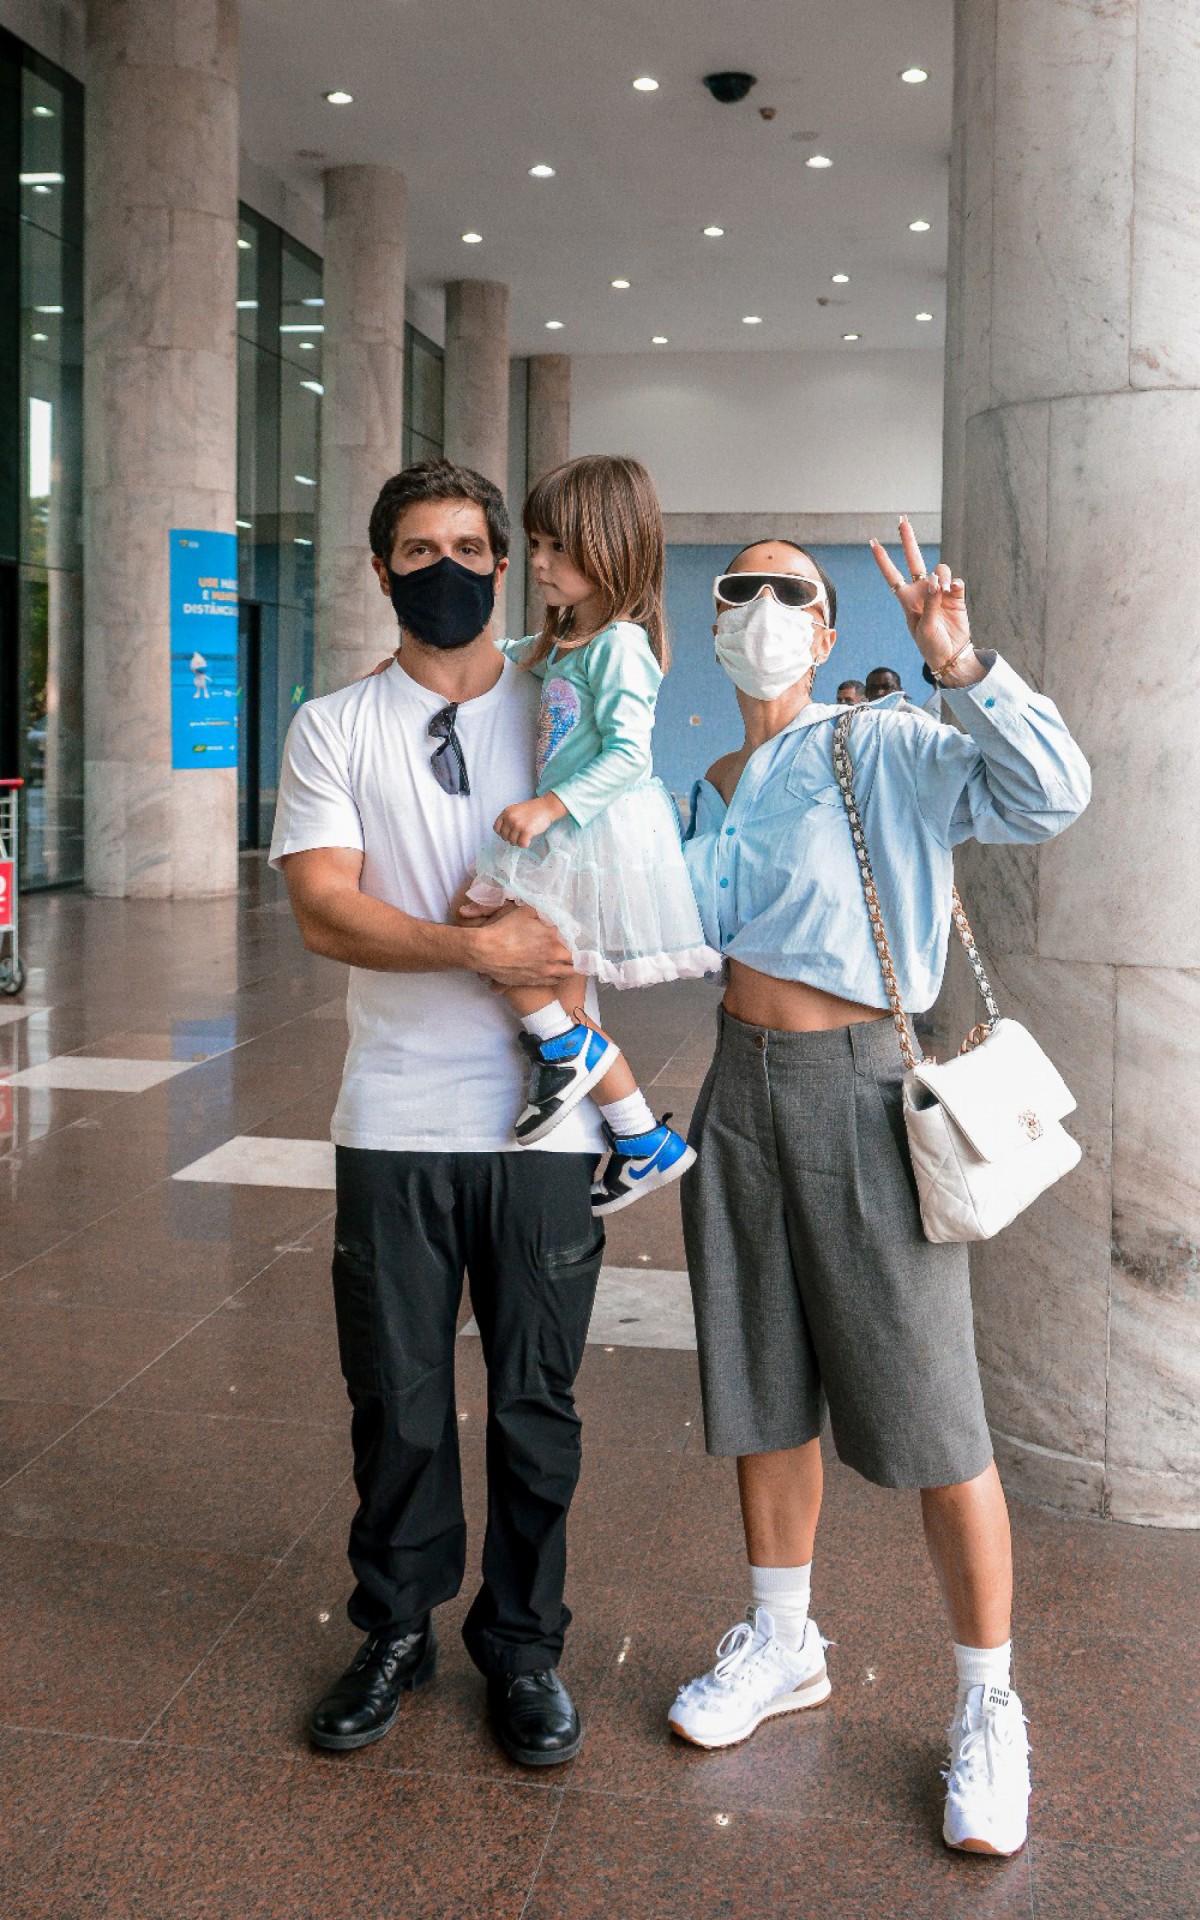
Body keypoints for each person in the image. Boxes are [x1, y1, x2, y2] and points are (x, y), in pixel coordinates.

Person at [668, 521, 1090, 1858]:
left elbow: (1049, 795)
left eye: (791, 587)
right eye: (740, 585)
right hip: (737, 1090)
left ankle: (987, 1706)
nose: (761, 604)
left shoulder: (886, 741)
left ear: (830, 626)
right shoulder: (717, 775)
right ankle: (784, 1641)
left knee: (930, 1405)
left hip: (862, 1086)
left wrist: (961, 662)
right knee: (762, 1379)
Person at [271, 457, 607, 1771]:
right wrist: (472, 954)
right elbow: (322, 906)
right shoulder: (334, 726)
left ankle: (523, 1651)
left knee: (536, 1402)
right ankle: (397, 1628)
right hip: (397, 1117)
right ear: (380, 571)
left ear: (506, 564)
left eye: (472, 546)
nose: (450, 570)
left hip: (550, 1126)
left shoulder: (563, 717)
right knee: (399, 1400)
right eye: (420, 552)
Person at [466, 455, 721, 1215]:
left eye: (556, 549)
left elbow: (629, 755)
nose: (537, 565)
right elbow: (505, 658)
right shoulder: (566, 640)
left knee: (488, 933)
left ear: (610, 548)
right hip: (571, 836)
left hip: (593, 835)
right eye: (535, 546)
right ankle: (641, 1138)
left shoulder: (620, 647)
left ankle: (567, 1055)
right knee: (546, 984)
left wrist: (550, 807)